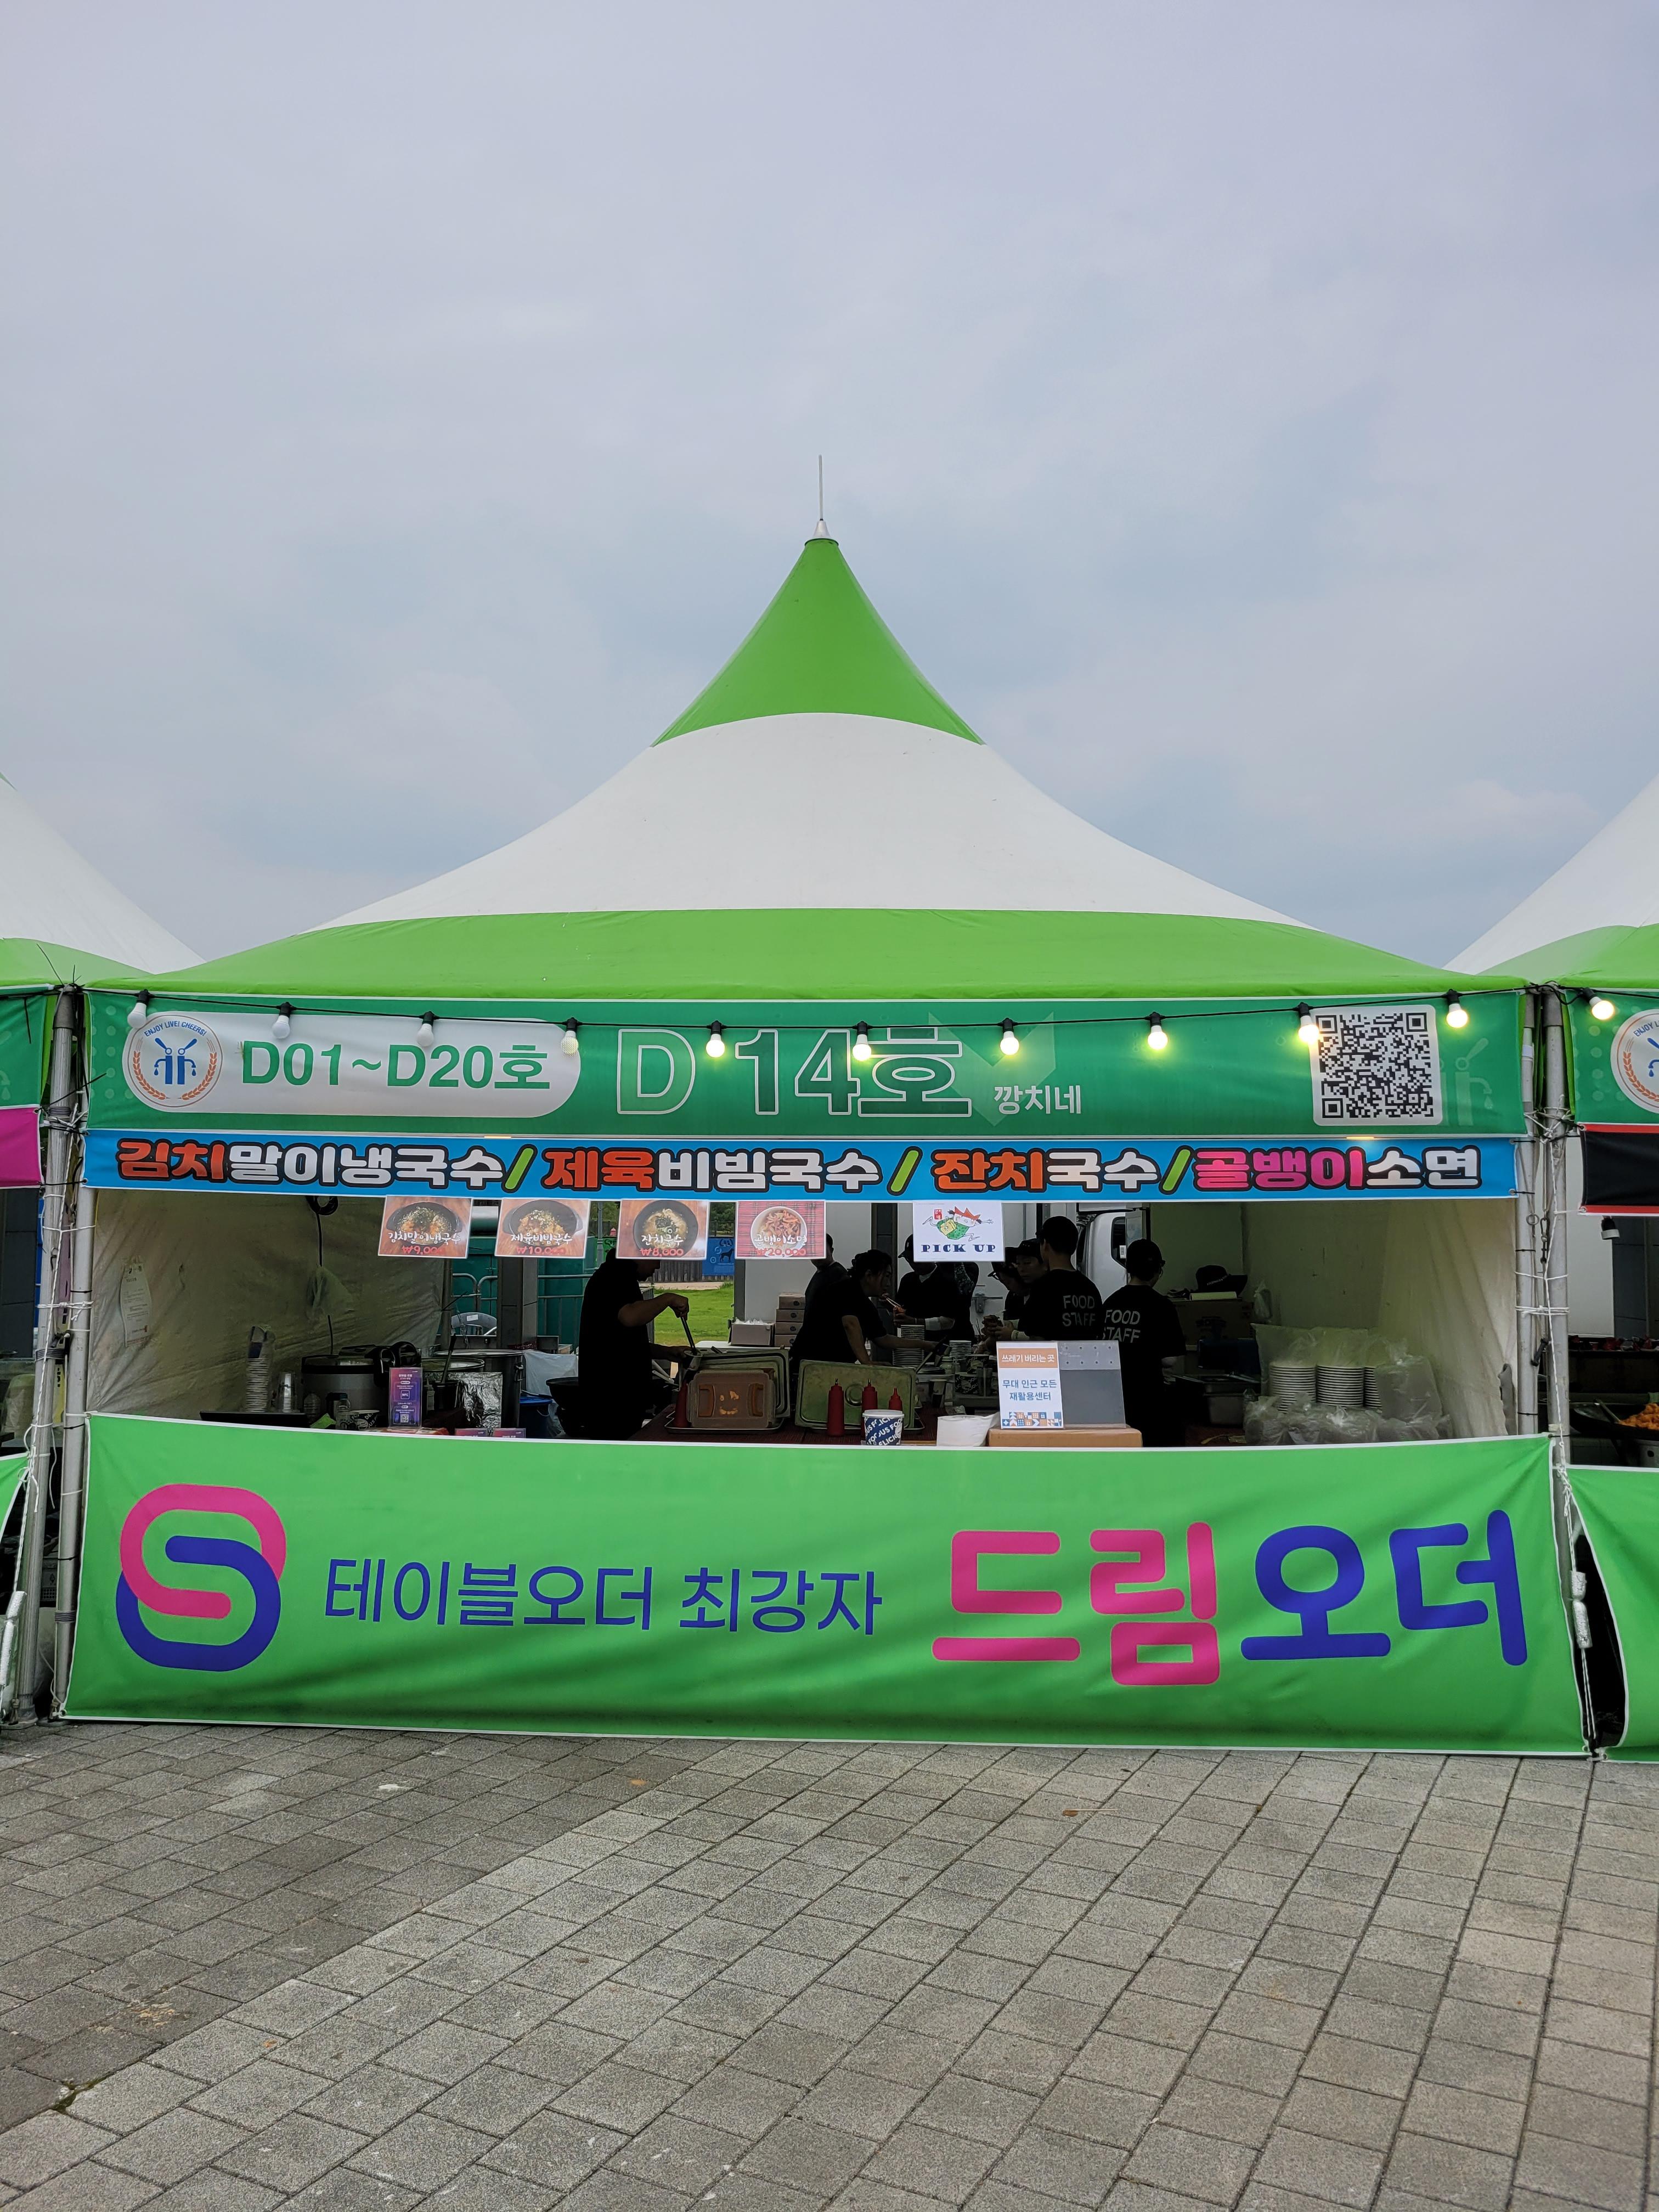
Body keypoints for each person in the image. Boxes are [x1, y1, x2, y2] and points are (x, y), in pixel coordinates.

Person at [577, 1245, 691, 1439]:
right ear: (640, 1254)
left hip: (619, 1397)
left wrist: (667, 1352)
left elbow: (620, 1343)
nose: (658, 1265)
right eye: (656, 1258)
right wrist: (668, 1299)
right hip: (610, 1398)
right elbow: (630, 1317)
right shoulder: (614, 1276)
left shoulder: (620, 1277)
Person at [1099, 1238, 1189, 1446]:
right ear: (1158, 1271)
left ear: (1128, 1269)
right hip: (1148, 1399)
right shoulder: (1162, 1306)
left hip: (1113, 1398)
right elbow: (1169, 1360)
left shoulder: (1110, 1303)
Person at [789, 1249, 895, 1367]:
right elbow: (850, 1324)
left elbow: (882, 1339)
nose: (888, 1284)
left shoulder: (865, 1303)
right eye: (887, 1276)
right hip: (810, 1365)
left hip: (830, 1367)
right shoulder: (846, 1288)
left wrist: (914, 1343)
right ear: (869, 1275)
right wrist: (867, 1362)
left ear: (831, 1250)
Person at [1014, 1217, 1104, 1339]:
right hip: (1085, 1352)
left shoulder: (1044, 1287)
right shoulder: (1090, 1288)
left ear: (1045, 1245)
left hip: (1054, 1352)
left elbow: (1037, 1338)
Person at [894, 1234, 978, 1340]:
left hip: (954, 1342)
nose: (913, 1264)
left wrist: (914, 1322)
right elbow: (902, 1310)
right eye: (909, 1259)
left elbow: (949, 1322)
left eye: (917, 1260)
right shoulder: (908, 1280)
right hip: (918, 1343)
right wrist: (896, 1314)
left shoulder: (949, 1279)